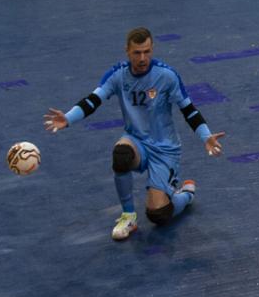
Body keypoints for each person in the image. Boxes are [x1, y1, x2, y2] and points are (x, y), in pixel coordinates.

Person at [43, 27, 225, 240]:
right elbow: (94, 99)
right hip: (136, 141)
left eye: (147, 51)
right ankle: (128, 216)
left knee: (158, 215)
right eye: (137, 53)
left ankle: (185, 195)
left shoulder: (167, 76)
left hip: (165, 149)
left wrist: (206, 136)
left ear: (152, 49)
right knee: (121, 155)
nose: (142, 58)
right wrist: (68, 118)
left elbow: (188, 109)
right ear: (127, 52)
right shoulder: (117, 75)